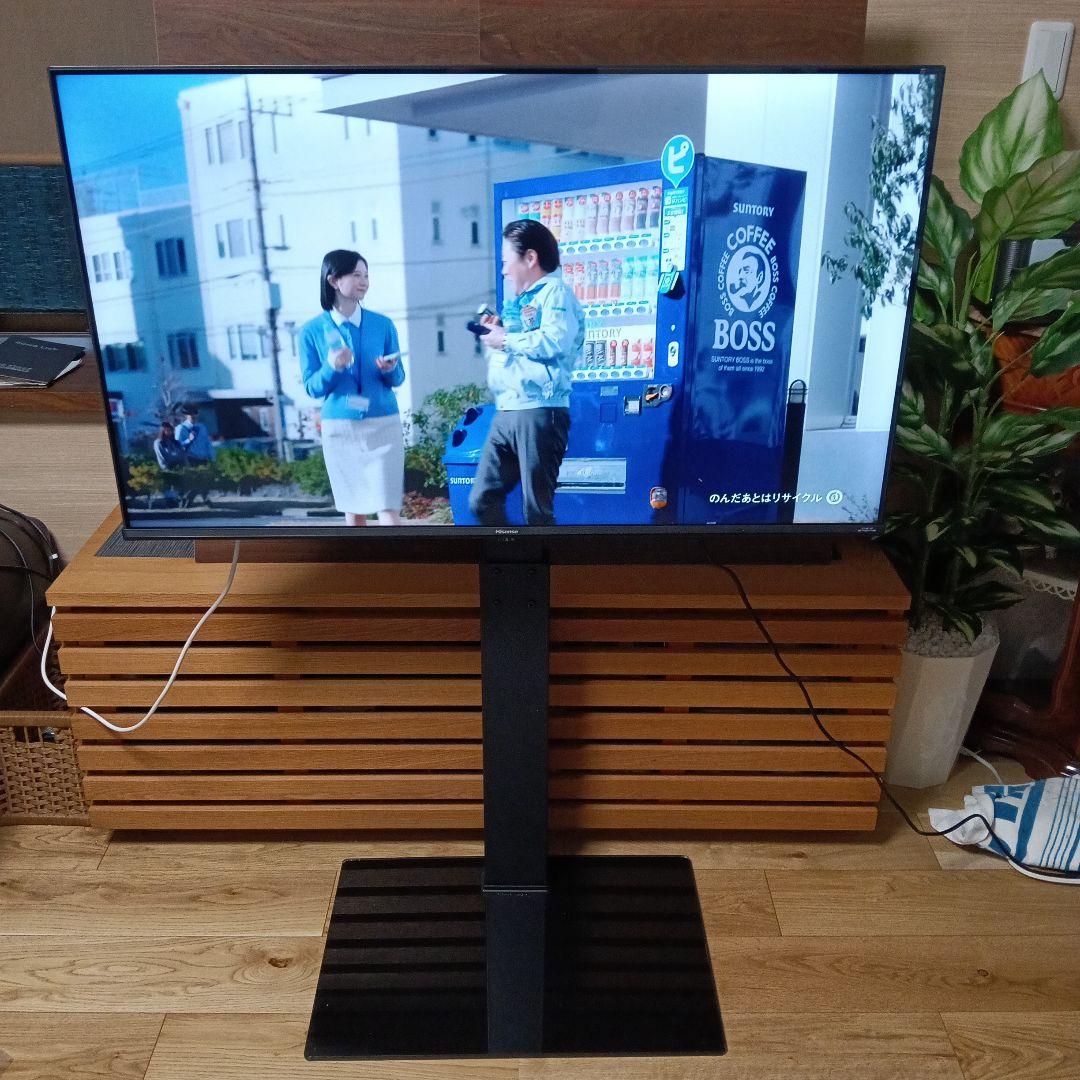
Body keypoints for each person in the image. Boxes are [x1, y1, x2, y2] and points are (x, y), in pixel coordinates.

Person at [470, 219, 583, 526]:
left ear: (530, 258)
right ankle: (512, 550)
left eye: (506, 261)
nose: (503, 271)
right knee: (482, 500)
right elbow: (517, 346)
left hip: (540, 410)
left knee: (537, 512)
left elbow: (556, 341)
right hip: (507, 409)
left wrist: (505, 338)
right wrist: (497, 334)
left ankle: (540, 554)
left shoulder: (556, 293)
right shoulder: (520, 302)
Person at [298, 249, 406, 526]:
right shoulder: (311, 331)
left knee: (388, 509)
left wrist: (389, 369)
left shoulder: (383, 325)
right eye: (356, 275)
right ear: (333, 280)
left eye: (366, 275)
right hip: (340, 429)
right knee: (354, 511)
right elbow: (311, 388)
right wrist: (331, 367)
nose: (364, 281)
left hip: (384, 425)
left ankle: (397, 556)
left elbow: (399, 378)